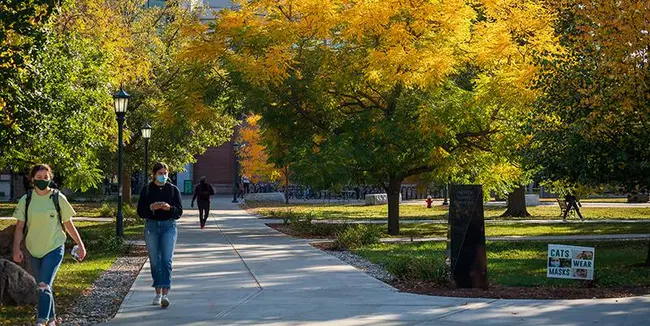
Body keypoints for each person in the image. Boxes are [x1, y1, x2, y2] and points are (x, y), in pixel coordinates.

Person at [12, 164, 87, 326]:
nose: (42, 181)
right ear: (32, 179)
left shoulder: (58, 198)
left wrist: (80, 244)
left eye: (46, 178)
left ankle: (41, 321)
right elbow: (19, 227)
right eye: (38, 178)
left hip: (54, 247)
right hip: (33, 249)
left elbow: (68, 224)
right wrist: (16, 248)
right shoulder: (26, 200)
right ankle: (52, 320)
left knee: (43, 285)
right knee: (44, 288)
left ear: (50, 178)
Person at [137, 162, 183, 308]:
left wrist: (169, 208)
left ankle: (165, 294)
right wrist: (151, 207)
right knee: (155, 261)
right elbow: (140, 211)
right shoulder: (147, 190)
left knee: (166, 260)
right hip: (152, 226)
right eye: (160, 173)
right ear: (154, 174)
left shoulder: (173, 190)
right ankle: (157, 293)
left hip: (168, 226)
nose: (163, 176)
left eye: (165, 173)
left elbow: (179, 212)